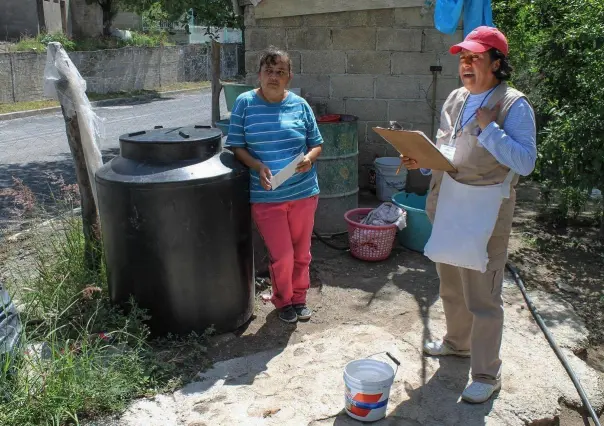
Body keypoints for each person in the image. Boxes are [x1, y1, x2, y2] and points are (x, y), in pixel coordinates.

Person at [401, 26, 537, 403]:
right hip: (449, 204)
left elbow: (525, 162)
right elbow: (447, 150)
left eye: (475, 57)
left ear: (497, 62)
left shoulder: (513, 104)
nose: (466, 64)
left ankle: (486, 373)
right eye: (463, 57)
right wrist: (423, 161)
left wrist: (489, 127)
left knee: (482, 295)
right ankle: (457, 343)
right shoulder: (457, 98)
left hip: (484, 212)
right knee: (451, 284)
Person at [225, 46, 323, 324]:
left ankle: (299, 297)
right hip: (266, 195)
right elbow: (236, 146)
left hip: (303, 192)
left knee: (302, 253)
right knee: (282, 255)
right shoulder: (244, 104)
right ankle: (283, 300)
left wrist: (309, 158)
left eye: (281, 72)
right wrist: (257, 165)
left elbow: (317, 144)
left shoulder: (300, 105)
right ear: (260, 74)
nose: (274, 77)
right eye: (269, 71)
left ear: (289, 77)